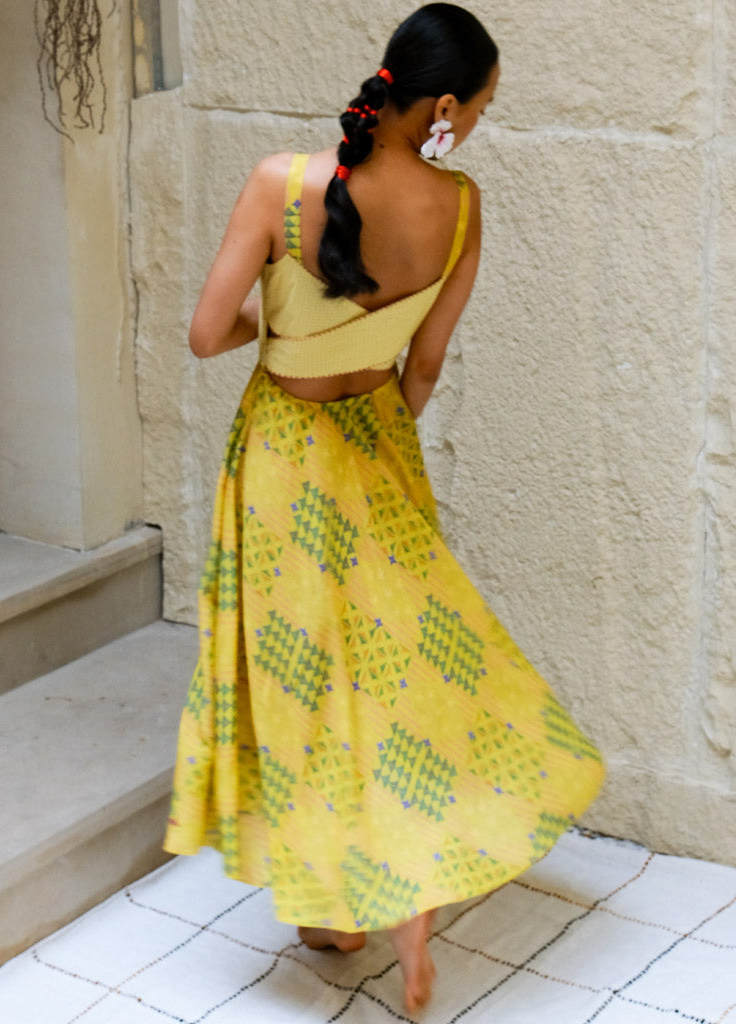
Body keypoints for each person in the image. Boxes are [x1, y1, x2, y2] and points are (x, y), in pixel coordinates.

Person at [164, 3, 604, 1012]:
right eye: (481, 109)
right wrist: (377, 427)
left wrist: (287, 319)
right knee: (402, 673)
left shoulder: (281, 185)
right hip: (378, 445)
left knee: (309, 682)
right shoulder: (462, 206)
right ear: (443, 106)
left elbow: (204, 333)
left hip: (282, 457)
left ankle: (342, 904)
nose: (478, 126)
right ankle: (404, 902)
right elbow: (426, 364)